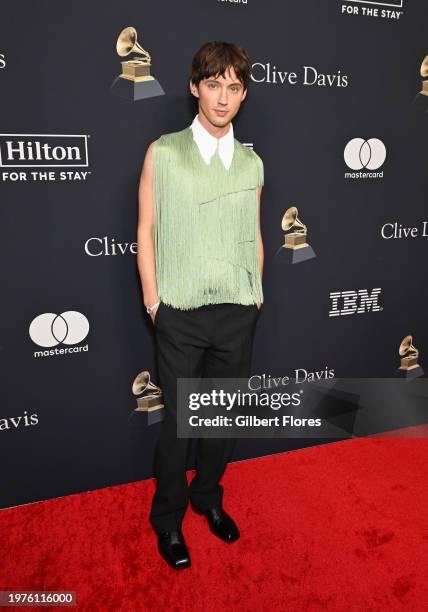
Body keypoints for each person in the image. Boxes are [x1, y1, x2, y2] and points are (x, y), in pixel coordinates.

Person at [137, 41, 265, 569]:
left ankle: (208, 501)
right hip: (180, 314)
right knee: (178, 427)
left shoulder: (253, 161)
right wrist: (153, 302)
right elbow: (145, 231)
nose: (223, 97)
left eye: (234, 87)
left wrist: (258, 291)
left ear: (242, 96)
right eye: (214, 84)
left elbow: (254, 231)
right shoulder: (163, 152)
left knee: (222, 423)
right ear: (194, 87)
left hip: (238, 310)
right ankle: (168, 521)